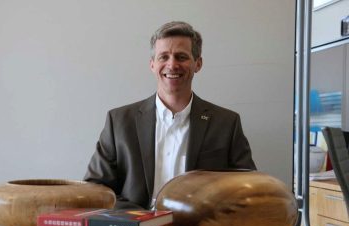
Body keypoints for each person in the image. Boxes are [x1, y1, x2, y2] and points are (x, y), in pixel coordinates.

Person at [84, 21, 256, 209]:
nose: (172, 64)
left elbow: (246, 191)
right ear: (152, 64)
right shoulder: (118, 122)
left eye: (181, 57)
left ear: (198, 64)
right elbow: (95, 189)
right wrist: (140, 219)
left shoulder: (226, 124)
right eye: (163, 57)